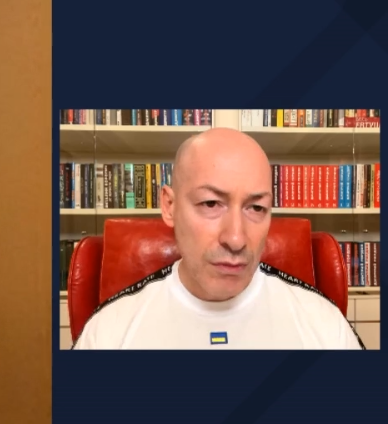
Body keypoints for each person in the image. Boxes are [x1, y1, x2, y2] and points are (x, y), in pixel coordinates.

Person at [74, 127, 362, 349]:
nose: (236, 239)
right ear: (170, 206)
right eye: (211, 204)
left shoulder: (324, 326)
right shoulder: (108, 332)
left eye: (256, 208)